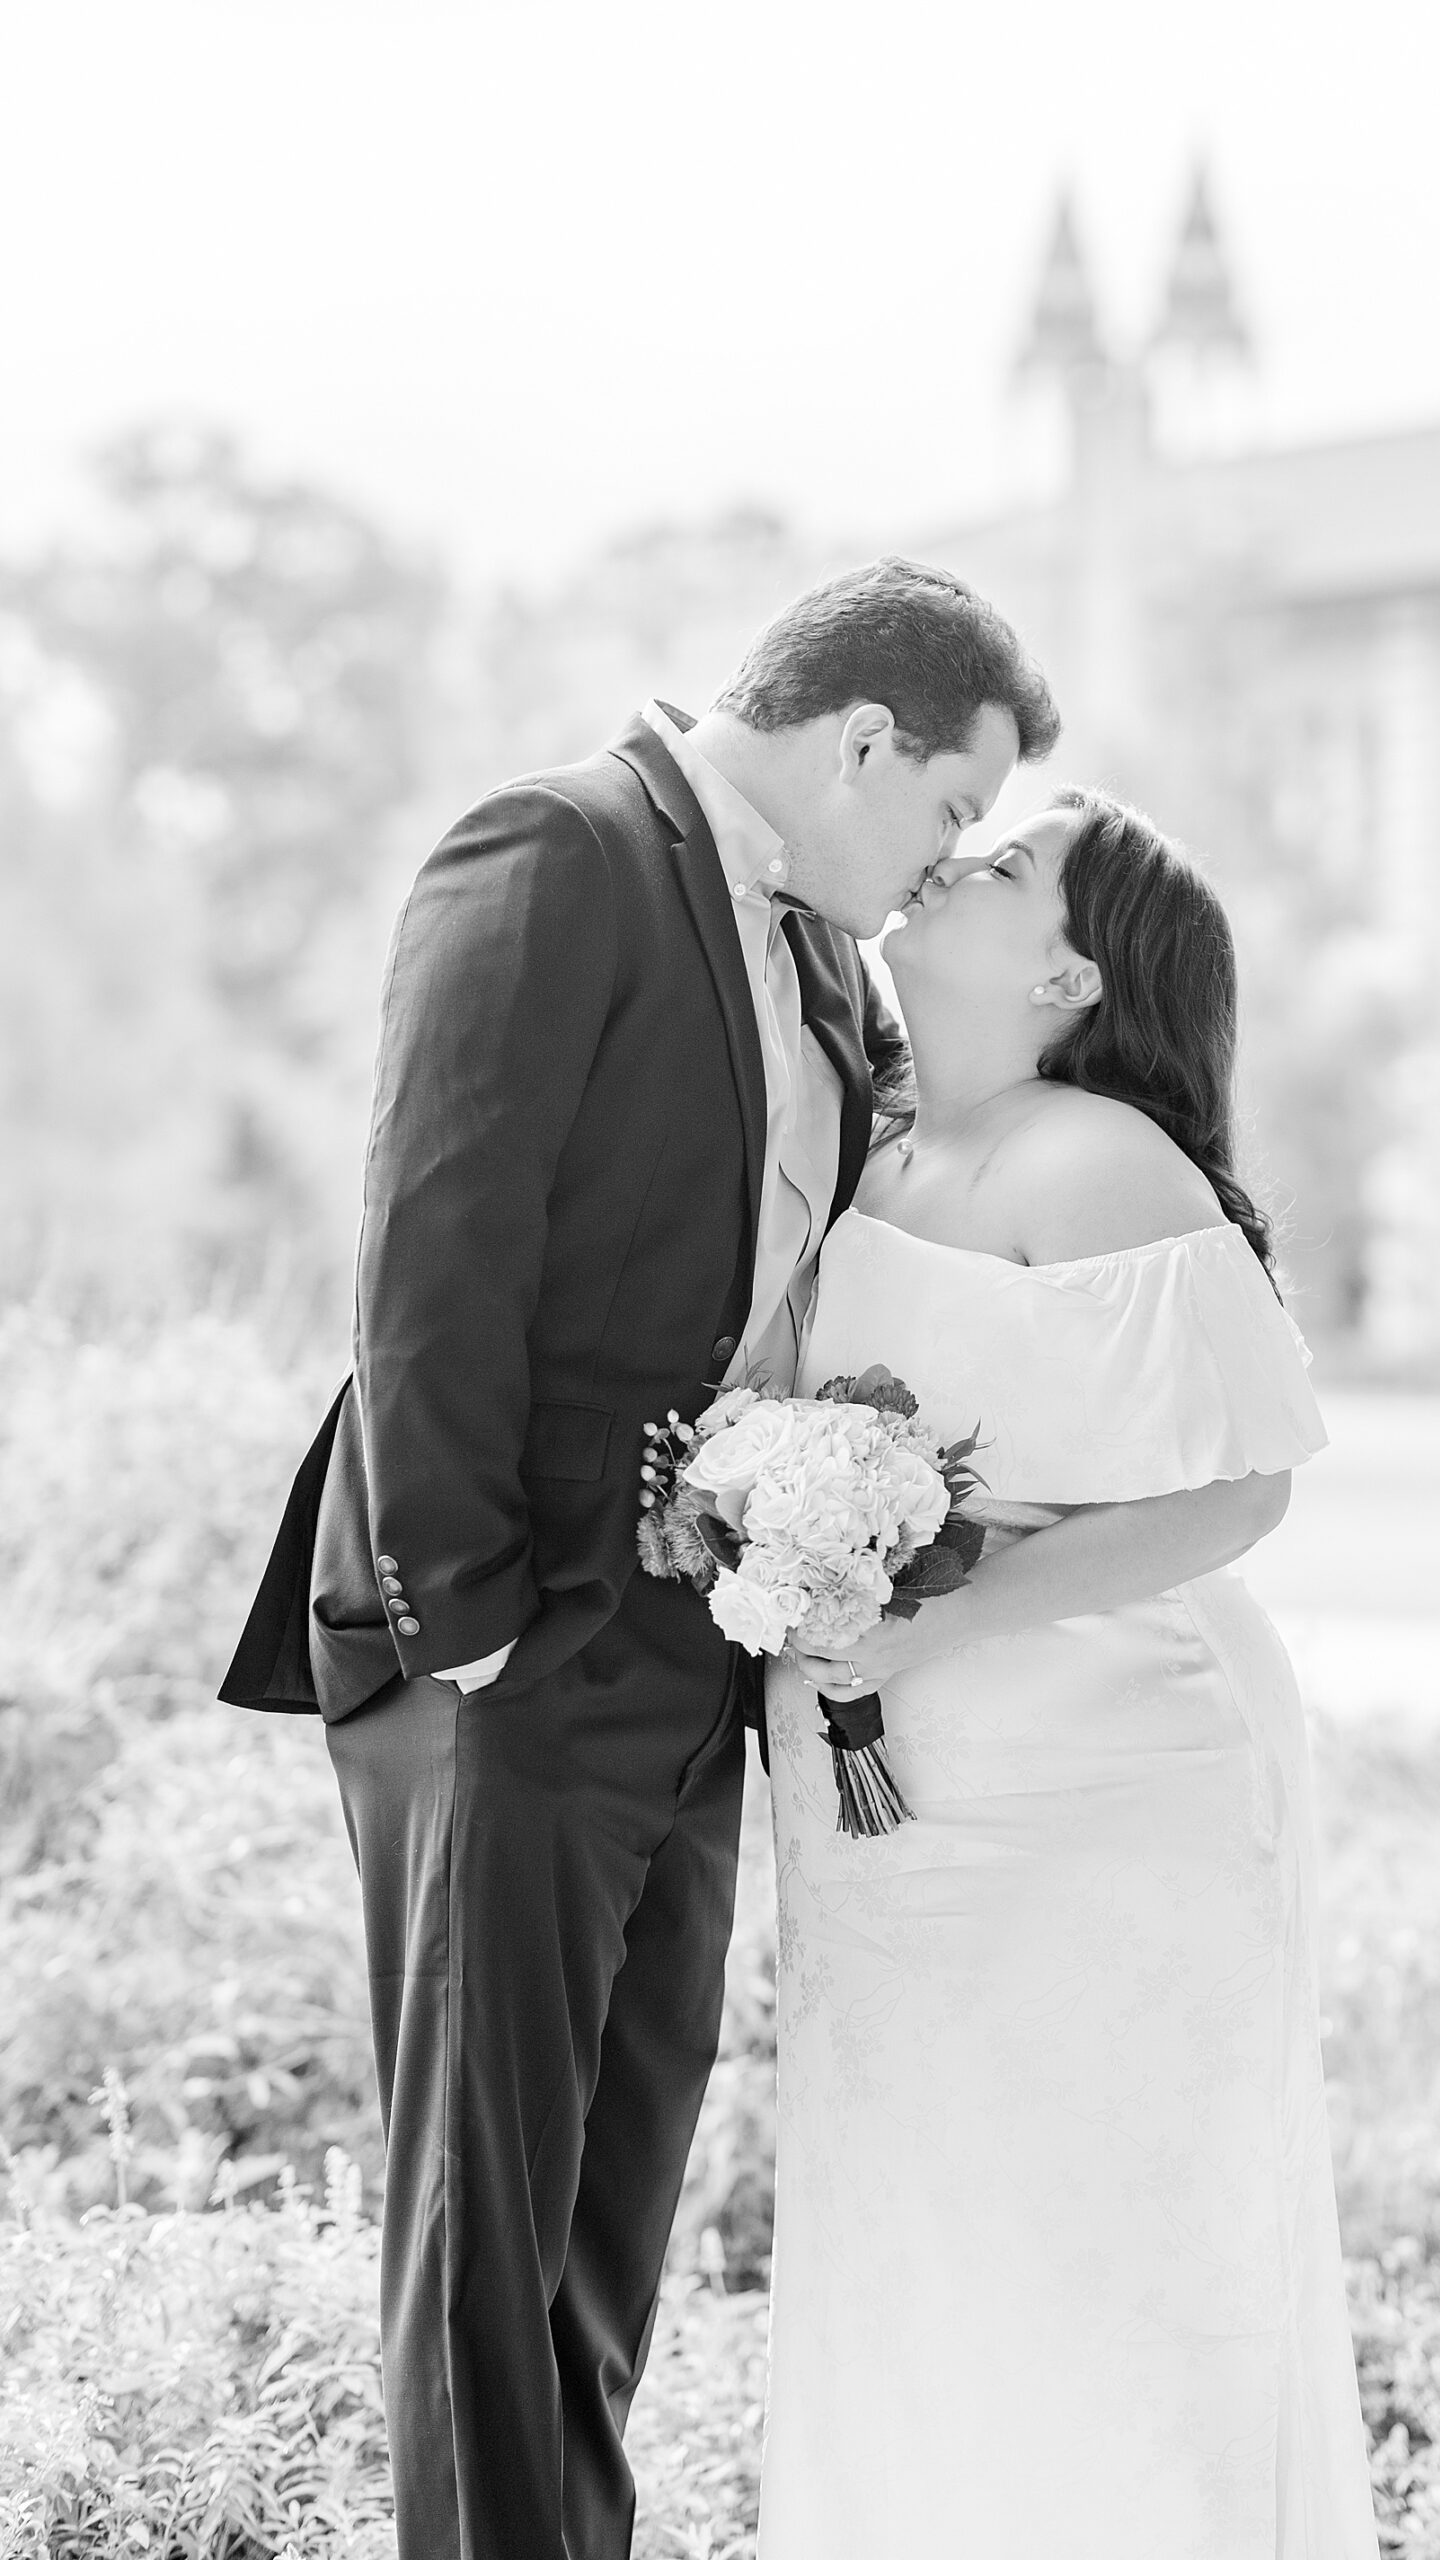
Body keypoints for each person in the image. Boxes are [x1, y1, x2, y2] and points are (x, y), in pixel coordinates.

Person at [218, 556, 1059, 2560]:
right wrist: (468, 1629)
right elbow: (434, 1245)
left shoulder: (834, 973)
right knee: (482, 2235)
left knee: (607, 2232)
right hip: (507, 1645)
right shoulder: (553, 847)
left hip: (700, 1656)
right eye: (951, 810)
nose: (947, 860)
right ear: (865, 741)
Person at [766, 789, 1379, 2557]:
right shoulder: (871, 1141)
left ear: (1067, 974)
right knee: (923, 2225)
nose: (962, 855)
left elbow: (1241, 1485)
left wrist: (937, 1625)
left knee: (1105, 2240)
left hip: (1108, 1781)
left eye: (1013, 858)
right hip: (887, 1783)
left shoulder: (1094, 1158)